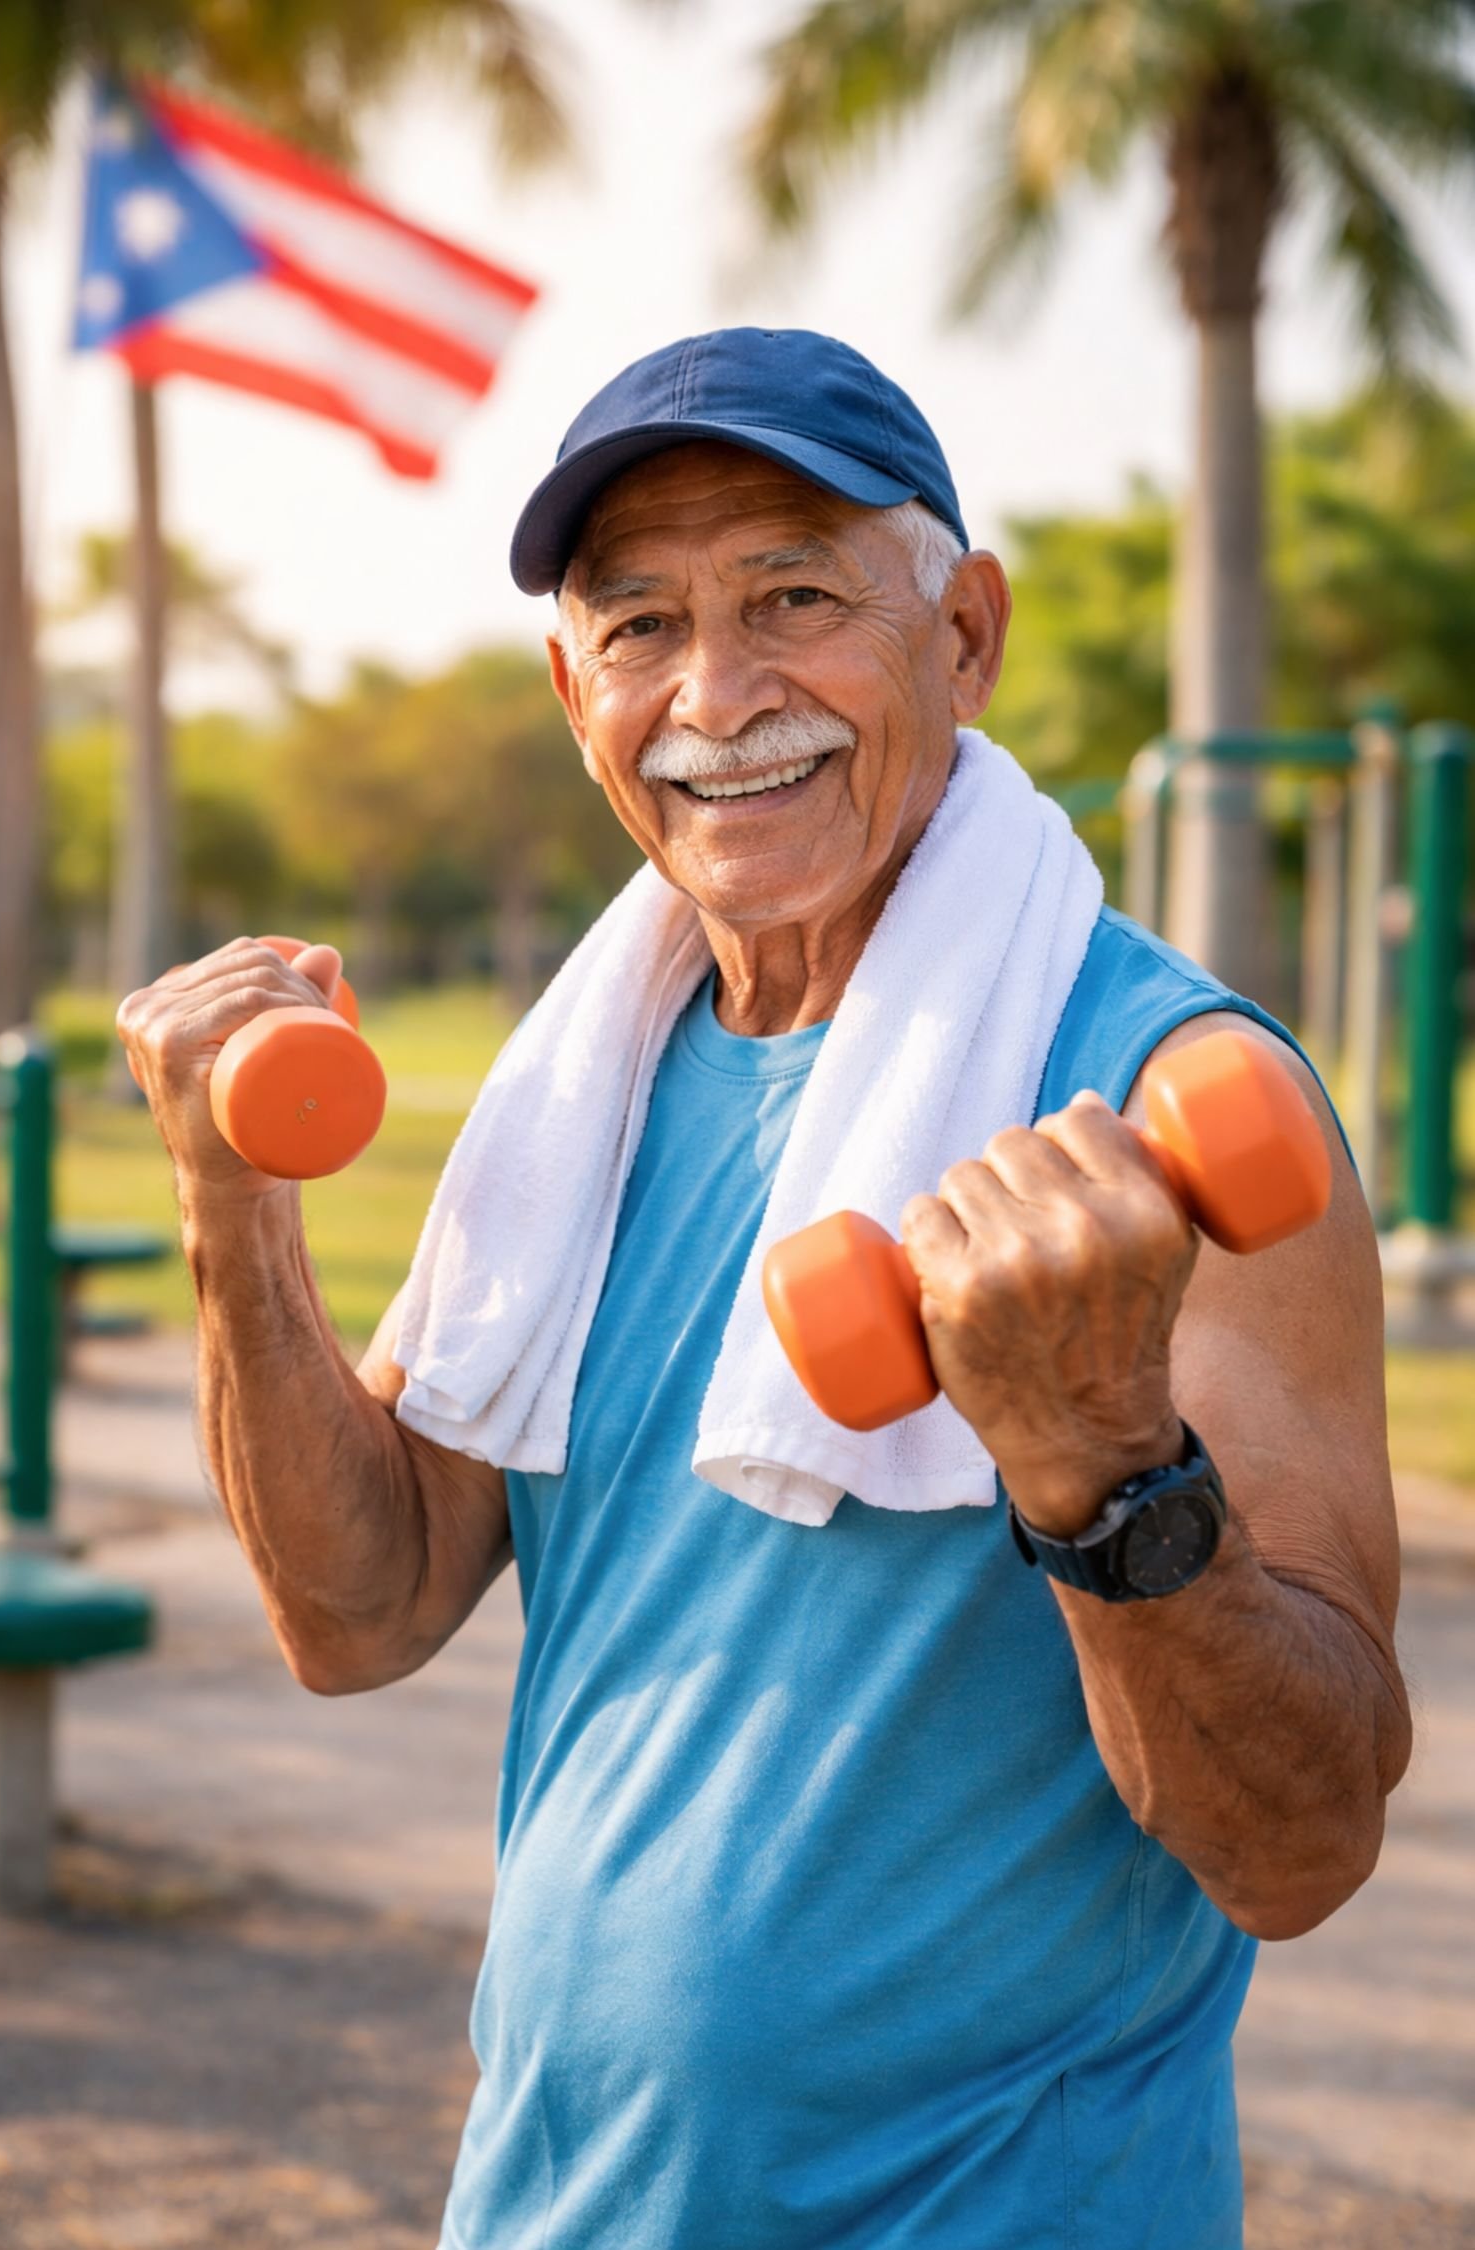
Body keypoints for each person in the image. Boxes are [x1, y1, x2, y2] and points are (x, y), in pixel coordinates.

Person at [118, 328, 1410, 2250]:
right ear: (577, 694)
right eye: (639, 625)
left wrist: (1105, 1461)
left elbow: (1300, 1844)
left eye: (794, 597)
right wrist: (234, 1205)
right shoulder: (582, 1100)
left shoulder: (1166, 1107)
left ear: (962, 635)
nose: (718, 696)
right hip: (558, 2203)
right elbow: (358, 1605)